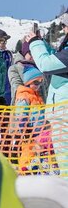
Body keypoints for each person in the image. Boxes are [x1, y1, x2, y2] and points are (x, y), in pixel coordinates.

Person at [25, 26, 68, 176]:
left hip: (64, 117)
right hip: (60, 115)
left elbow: (47, 64)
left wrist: (35, 43)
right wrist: (41, 43)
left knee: (65, 164)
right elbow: (57, 59)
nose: (64, 27)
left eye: (66, 23)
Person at [9, 38, 48, 104]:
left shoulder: (41, 66)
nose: (33, 56)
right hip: (25, 104)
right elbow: (17, 87)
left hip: (43, 105)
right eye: (31, 53)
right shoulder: (14, 68)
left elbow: (45, 88)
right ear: (25, 52)